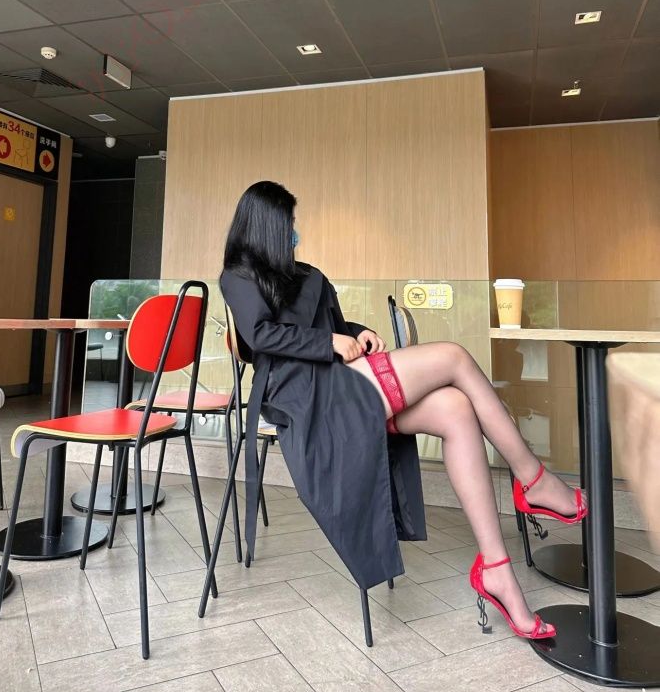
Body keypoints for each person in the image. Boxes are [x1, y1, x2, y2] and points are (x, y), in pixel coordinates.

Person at [220, 181, 587, 640]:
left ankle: (496, 569)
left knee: (456, 408)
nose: (296, 232)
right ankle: (533, 479)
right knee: (453, 356)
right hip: (306, 394)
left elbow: (335, 326)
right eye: (289, 224)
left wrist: (358, 331)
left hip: (342, 378)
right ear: (268, 227)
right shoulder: (238, 276)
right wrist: (329, 342)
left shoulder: (308, 274)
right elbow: (261, 336)